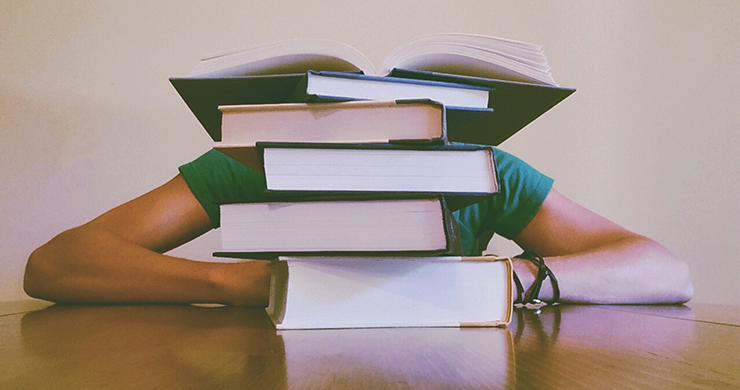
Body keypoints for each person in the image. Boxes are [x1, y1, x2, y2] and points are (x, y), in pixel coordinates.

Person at [23, 147, 693, 306]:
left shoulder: (479, 170)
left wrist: (514, 278)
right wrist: (255, 283)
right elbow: (55, 264)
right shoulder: (254, 161)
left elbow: (664, 269)